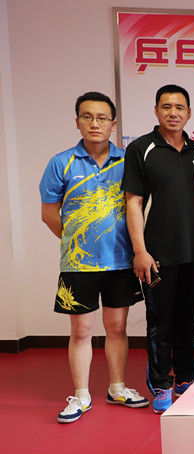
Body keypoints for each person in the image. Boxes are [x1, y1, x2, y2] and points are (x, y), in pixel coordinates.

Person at [39, 91, 148, 423]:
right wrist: (78, 243)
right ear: (77, 122)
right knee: (81, 331)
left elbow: (138, 207)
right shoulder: (61, 163)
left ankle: (117, 388)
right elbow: (49, 215)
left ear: (113, 123)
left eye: (102, 118)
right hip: (78, 265)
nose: (95, 123)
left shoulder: (127, 161)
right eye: (87, 117)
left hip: (121, 261)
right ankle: (81, 395)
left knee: (117, 327)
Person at [123, 84, 194, 414]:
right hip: (157, 254)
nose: (173, 113)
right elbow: (133, 203)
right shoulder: (142, 149)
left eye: (179, 107)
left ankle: (186, 378)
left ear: (189, 113)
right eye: (167, 107)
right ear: (156, 111)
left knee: (188, 319)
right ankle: (161, 383)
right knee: (160, 322)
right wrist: (140, 251)